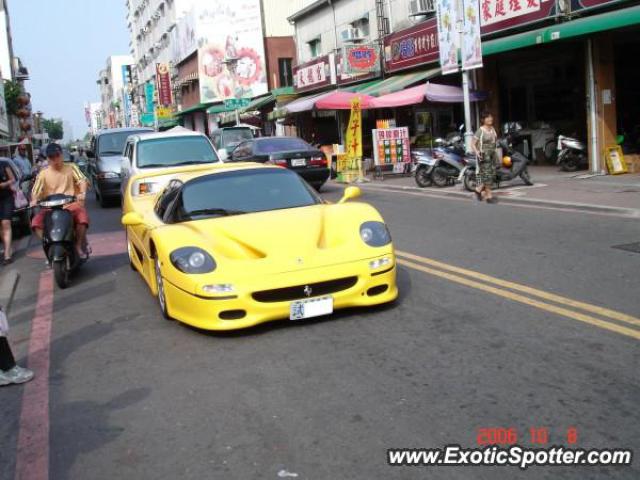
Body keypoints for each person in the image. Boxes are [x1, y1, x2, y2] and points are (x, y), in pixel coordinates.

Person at [30, 143, 90, 259]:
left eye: (57, 156)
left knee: (82, 220)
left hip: (70, 205)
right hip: (49, 208)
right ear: (47, 158)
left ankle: (77, 245)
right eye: (51, 157)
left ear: (61, 155)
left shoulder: (71, 167)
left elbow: (82, 180)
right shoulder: (43, 174)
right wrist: (34, 200)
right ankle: (49, 246)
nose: (55, 160)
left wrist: (82, 193)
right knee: (36, 223)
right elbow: (35, 191)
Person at [472, 111, 498, 204]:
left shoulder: (492, 129)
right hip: (484, 156)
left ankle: (478, 190)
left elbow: (494, 142)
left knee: (492, 174)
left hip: (492, 155)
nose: (490, 119)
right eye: (487, 117)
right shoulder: (480, 130)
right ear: (483, 120)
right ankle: (489, 197)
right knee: (487, 176)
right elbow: (473, 144)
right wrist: (477, 152)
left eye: (490, 117)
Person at [0, 158, 16, 264]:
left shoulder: (3, 164)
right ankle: (7, 247)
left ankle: (6, 255)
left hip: (6, 197)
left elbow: (13, 179)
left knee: (6, 222)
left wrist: (3, 184)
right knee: (1, 225)